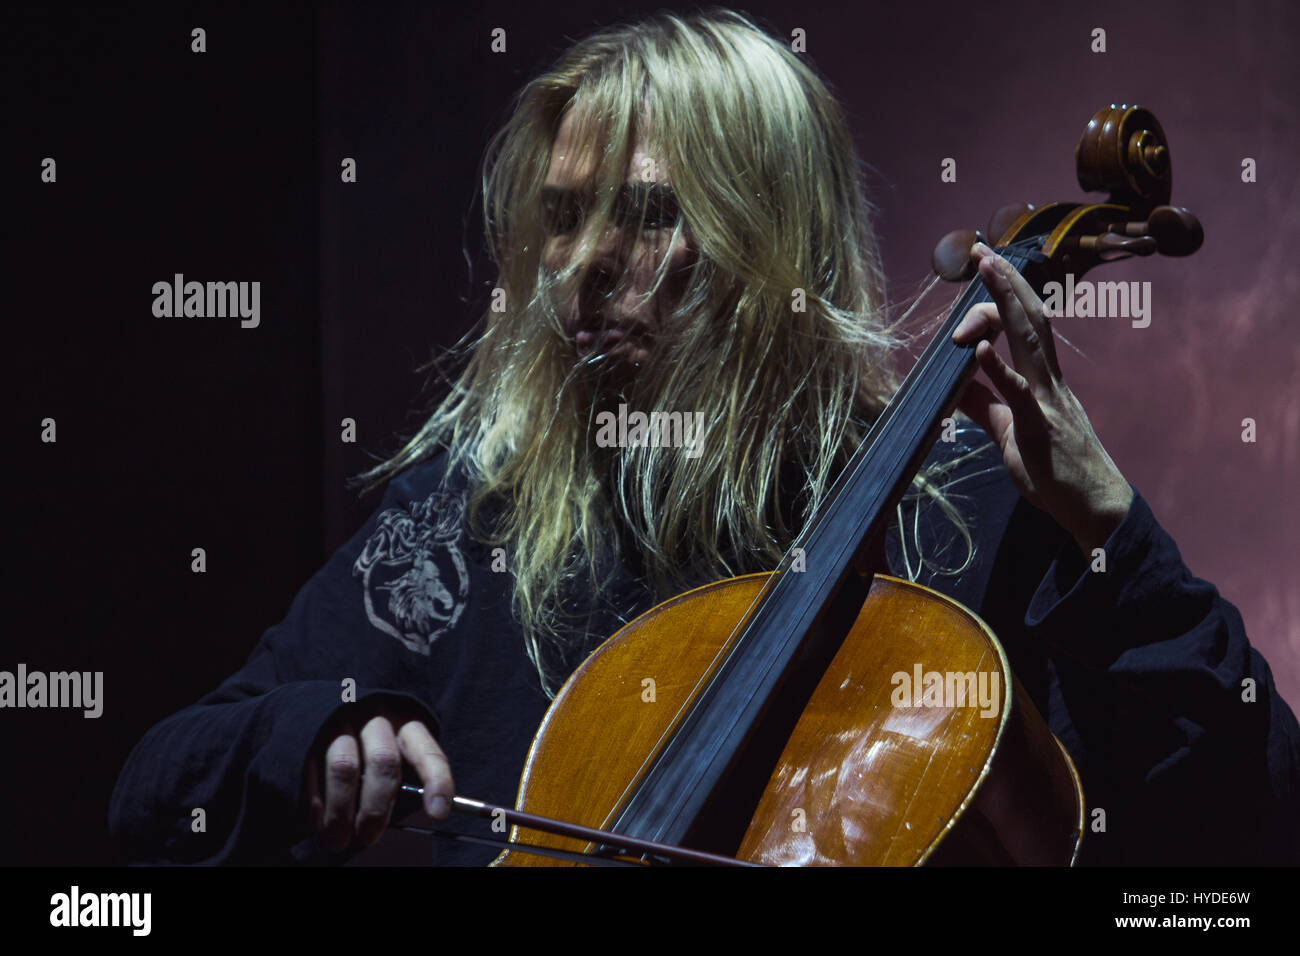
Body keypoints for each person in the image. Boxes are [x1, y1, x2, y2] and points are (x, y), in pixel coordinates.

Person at [108, 10, 1299, 866]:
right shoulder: (474, 525)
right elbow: (158, 786)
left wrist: (1106, 526)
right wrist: (309, 731)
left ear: (767, 237)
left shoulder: (965, 509)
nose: (579, 268)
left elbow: (1252, 815)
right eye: (562, 220)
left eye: (646, 216)